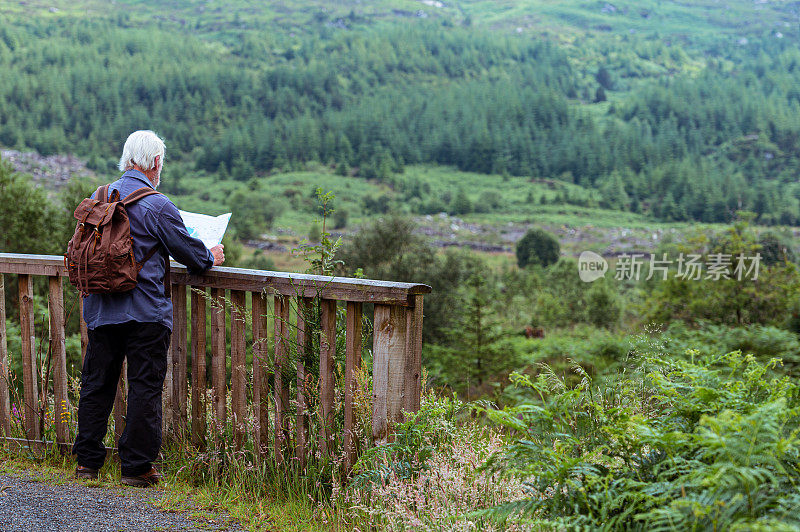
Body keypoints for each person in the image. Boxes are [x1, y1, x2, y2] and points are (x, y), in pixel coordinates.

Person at [72, 130, 224, 487]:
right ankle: (136, 468)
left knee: (97, 384)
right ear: (156, 163)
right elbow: (194, 258)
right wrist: (211, 254)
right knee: (143, 387)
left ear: (127, 159)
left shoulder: (97, 198)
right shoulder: (158, 205)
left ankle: (88, 463)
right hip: (145, 313)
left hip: (100, 309)